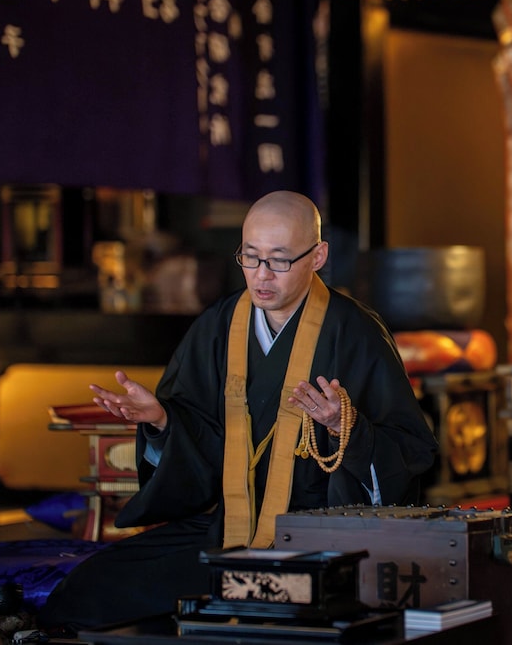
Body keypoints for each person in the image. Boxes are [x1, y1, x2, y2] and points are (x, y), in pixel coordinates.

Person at [38, 191, 438, 634]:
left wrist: (345, 428)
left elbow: (410, 451)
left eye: (279, 260)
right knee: (88, 591)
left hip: (319, 537)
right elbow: (201, 449)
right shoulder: (220, 324)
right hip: (227, 531)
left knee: (297, 615)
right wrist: (161, 421)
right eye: (250, 257)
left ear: (318, 256)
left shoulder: (355, 332)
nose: (262, 275)